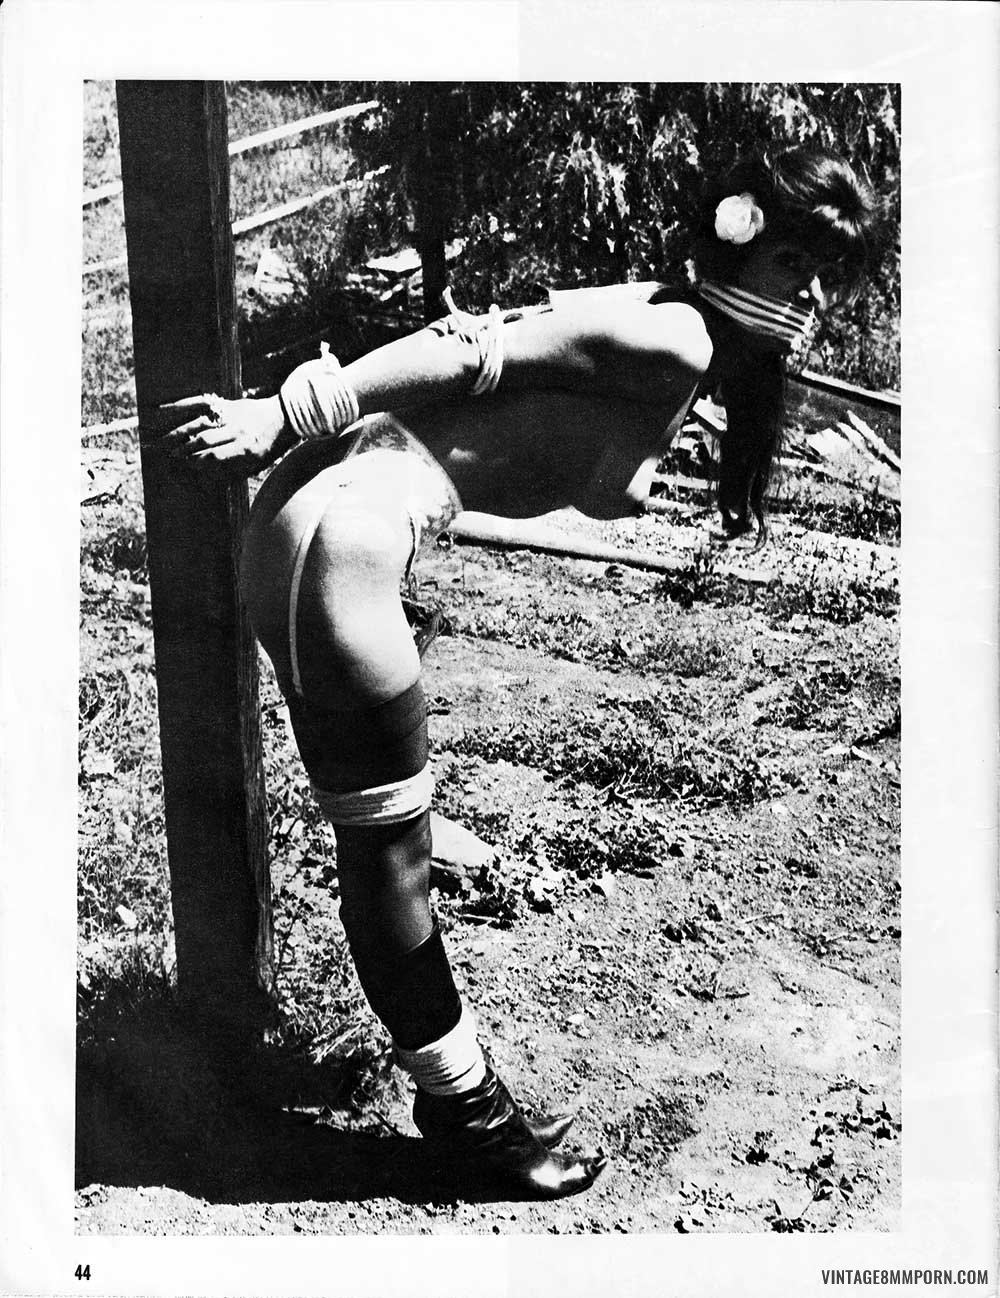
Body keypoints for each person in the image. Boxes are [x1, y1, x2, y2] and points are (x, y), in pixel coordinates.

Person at [159, 144, 877, 1198]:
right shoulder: (674, 332)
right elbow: (467, 347)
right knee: (389, 856)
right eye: (795, 265)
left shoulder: (675, 329)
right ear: (738, 240)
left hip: (337, 528)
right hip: (342, 536)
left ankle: (460, 1103)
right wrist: (284, 413)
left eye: (828, 276)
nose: (810, 298)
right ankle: (469, 1118)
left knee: (386, 842)